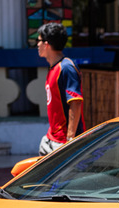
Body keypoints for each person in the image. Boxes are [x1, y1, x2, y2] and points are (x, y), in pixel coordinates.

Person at [36, 22, 84, 156]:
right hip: (50, 139)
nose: (37, 45)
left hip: (63, 142)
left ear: (47, 44)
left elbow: (75, 102)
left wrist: (70, 139)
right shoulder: (53, 67)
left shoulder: (66, 67)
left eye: (38, 41)